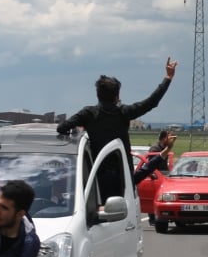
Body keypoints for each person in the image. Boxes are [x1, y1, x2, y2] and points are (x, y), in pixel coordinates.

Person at [56, 58, 177, 199]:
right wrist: (168, 78)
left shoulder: (88, 113)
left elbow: (61, 128)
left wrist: (81, 134)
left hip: (95, 178)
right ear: (117, 96)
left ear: (98, 95)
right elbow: (151, 102)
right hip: (122, 179)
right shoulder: (123, 112)